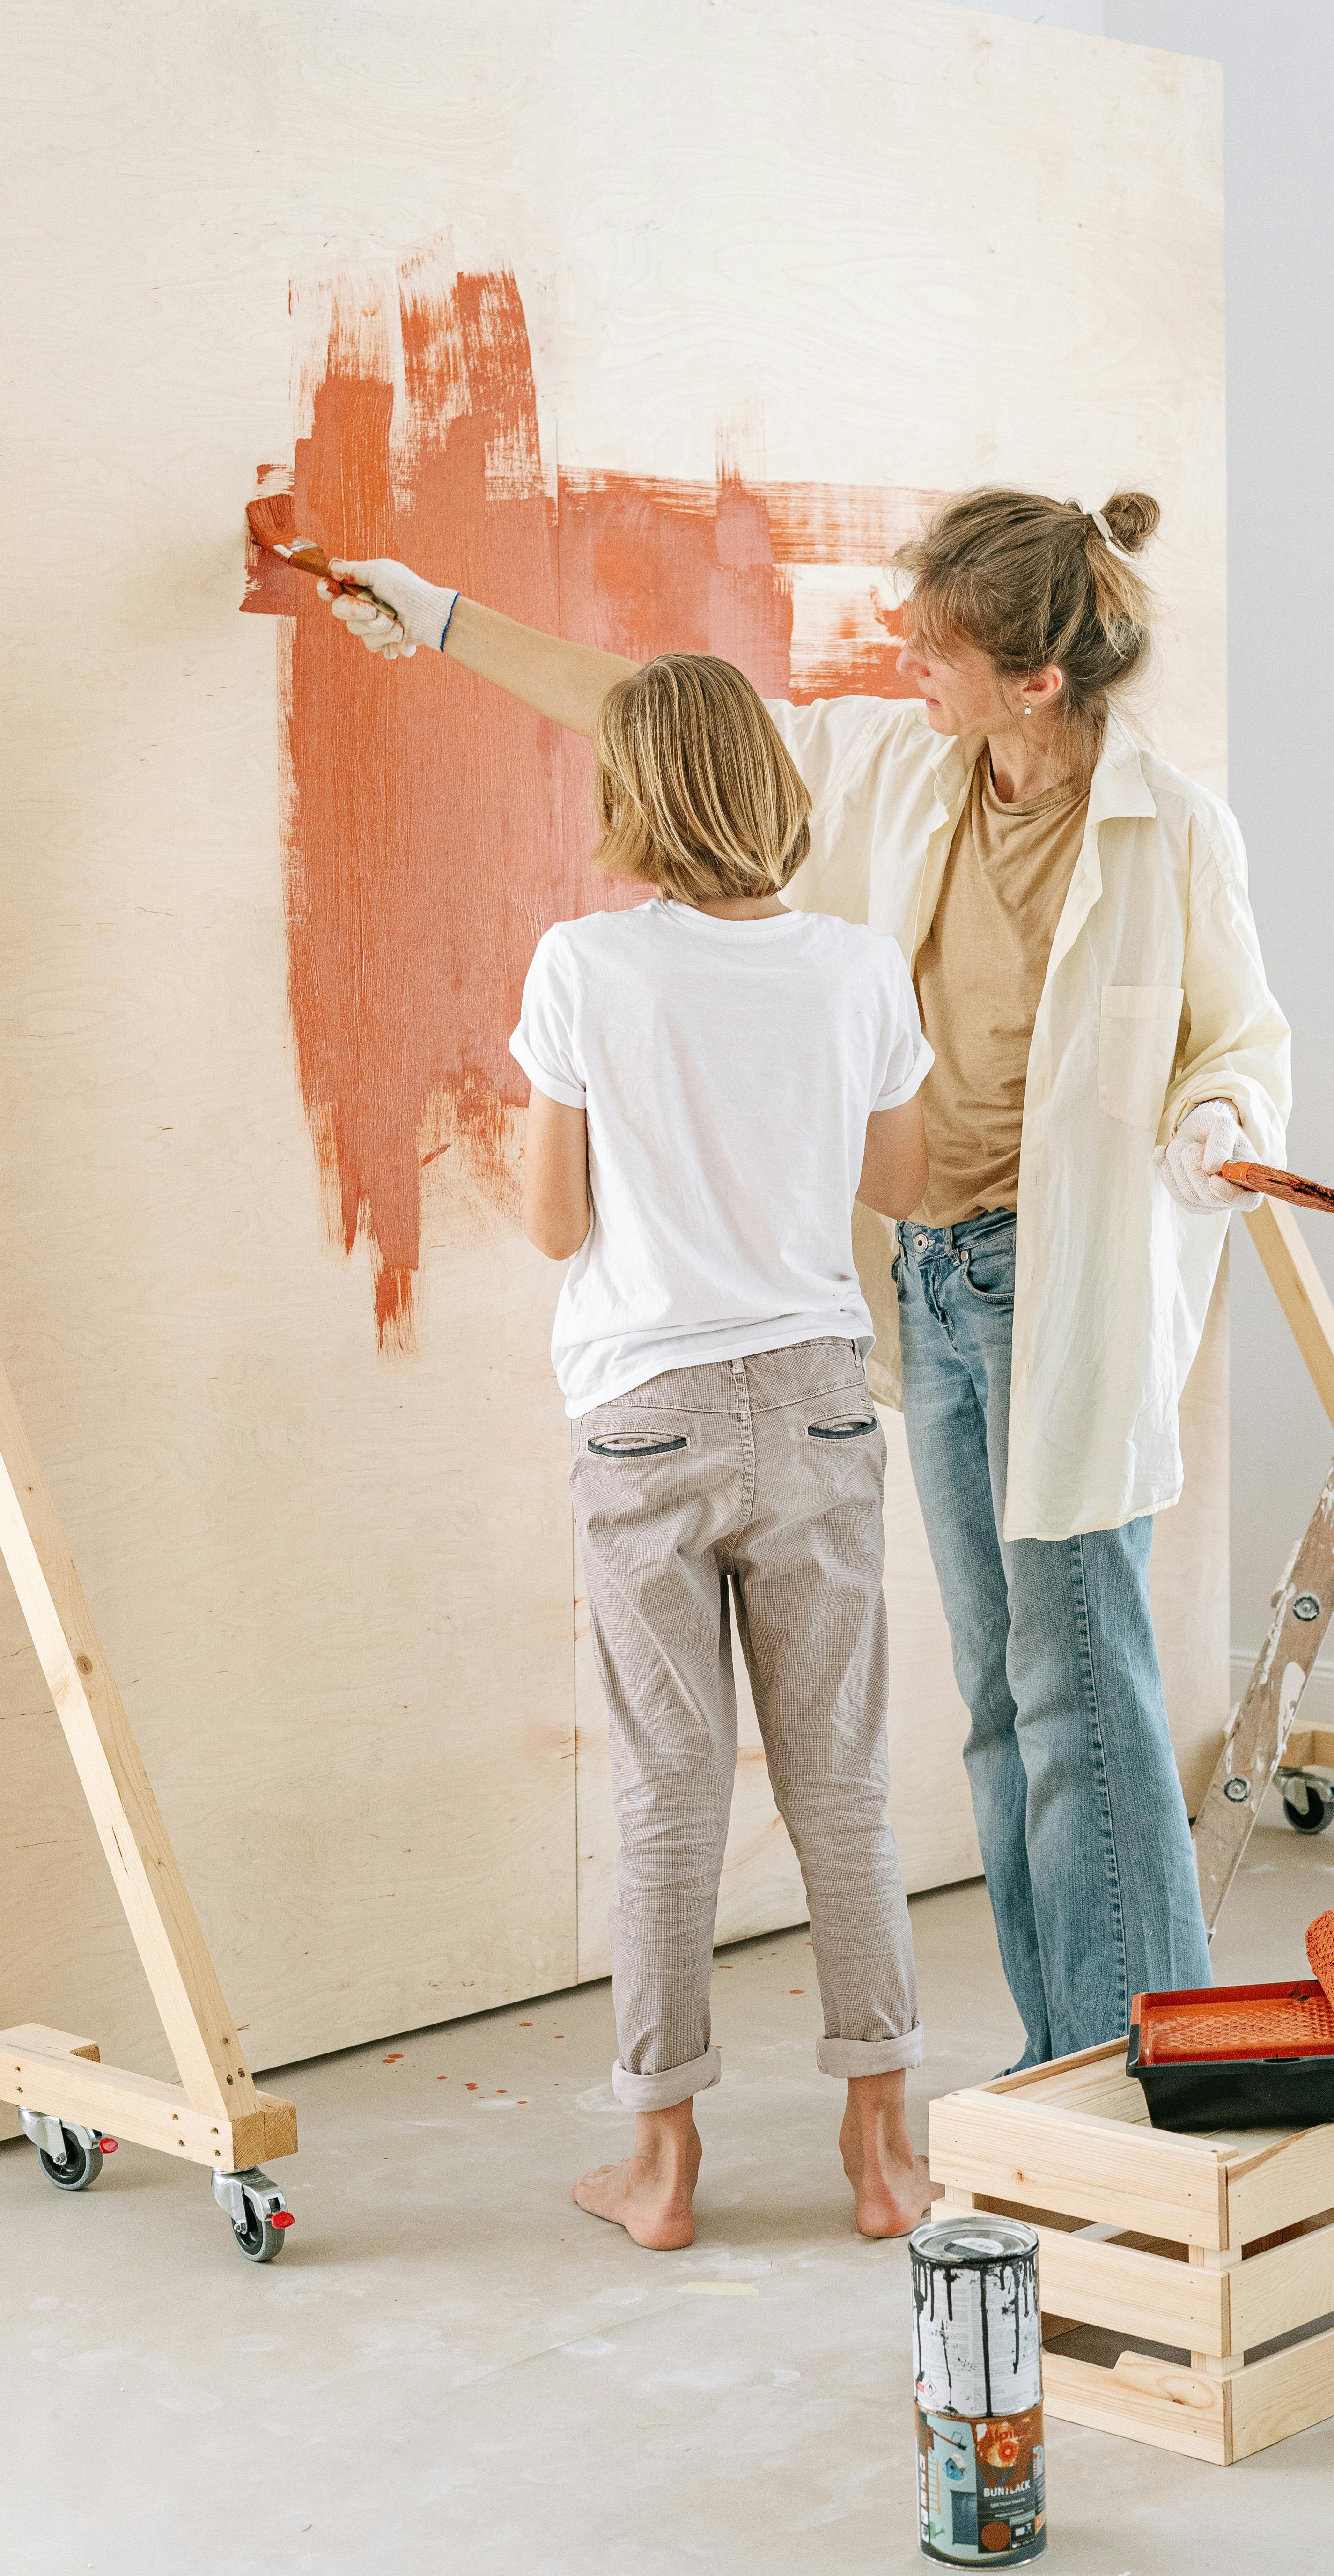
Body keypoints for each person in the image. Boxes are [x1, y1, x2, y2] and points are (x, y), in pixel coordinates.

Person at [318, 484, 1290, 2071]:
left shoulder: (1172, 830)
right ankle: (1063, 2056)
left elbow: (1241, 1040)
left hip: (1070, 1288)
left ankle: (1146, 2064)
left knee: (1084, 1685)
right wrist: (436, 619)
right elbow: (673, 719)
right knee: (995, 1691)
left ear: (1035, 679)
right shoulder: (908, 771)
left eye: (938, 648)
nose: (904, 660)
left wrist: (1219, 1122)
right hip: (935, 1283)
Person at [505, 650, 936, 2249]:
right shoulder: (858, 965)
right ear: (764, 778)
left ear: (636, 791)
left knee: (669, 1788)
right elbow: (893, 1183)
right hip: (818, 1395)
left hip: (647, 1414)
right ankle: (884, 2155)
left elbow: (556, 1221)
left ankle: (664, 2165)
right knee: (846, 1784)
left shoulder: (582, 965)